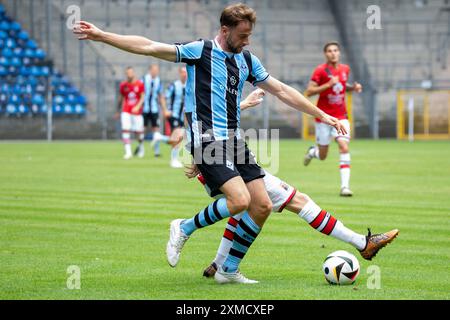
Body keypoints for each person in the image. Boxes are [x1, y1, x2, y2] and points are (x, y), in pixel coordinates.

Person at [73, 3, 347, 284]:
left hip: (234, 140)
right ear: (225, 30)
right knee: (240, 201)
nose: (247, 40)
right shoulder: (200, 51)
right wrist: (103, 35)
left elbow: (281, 90)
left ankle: (227, 271)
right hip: (205, 138)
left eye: (250, 35)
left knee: (262, 204)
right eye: (242, 35)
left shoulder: (247, 60)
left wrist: (322, 115)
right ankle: (183, 227)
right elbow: (150, 47)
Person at [183, 89, 398, 278]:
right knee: (298, 201)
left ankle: (220, 263)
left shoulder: (202, 89)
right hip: (231, 164)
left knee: (243, 210)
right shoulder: (210, 77)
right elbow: (209, 122)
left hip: (220, 165)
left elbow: (207, 123)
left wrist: (244, 105)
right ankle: (363, 243)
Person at [303, 41, 363, 197]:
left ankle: (345, 187)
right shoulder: (320, 71)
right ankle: (313, 152)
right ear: (325, 54)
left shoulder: (345, 69)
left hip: (341, 116)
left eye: (336, 50)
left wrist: (353, 88)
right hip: (323, 118)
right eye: (329, 51)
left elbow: (342, 85)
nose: (333, 53)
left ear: (339, 53)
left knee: (343, 146)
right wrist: (328, 84)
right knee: (323, 156)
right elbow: (309, 91)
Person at [116, 67, 145, 160]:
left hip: (137, 112)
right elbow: (121, 98)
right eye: (127, 73)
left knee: (138, 133)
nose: (129, 74)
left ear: (133, 73)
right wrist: (117, 110)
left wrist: (137, 106)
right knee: (125, 130)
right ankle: (128, 152)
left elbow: (142, 97)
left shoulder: (140, 84)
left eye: (130, 72)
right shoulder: (123, 85)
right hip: (126, 111)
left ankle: (141, 147)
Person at [142, 64, 170, 157]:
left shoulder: (158, 81)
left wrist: (164, 109)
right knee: (143, 129)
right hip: (145, 108)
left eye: (157, 70)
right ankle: (141, 149)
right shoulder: (143, 79)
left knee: (156, 130)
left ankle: (156, 151)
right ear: (150, 70)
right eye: (154, 70)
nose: (156, 72)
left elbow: (160, 96)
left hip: (154, 109)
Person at [164, 66, 187, 168]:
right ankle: (174, 160)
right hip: (174, 115)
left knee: (179, 137)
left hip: (183, 116)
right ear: (179, 73)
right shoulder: (174, 85)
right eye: (182, 72)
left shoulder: (190, 85)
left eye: (186, 72)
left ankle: (159, 137)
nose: (184, 74)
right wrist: (166, 110)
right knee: (177, 137)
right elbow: (164, 97)